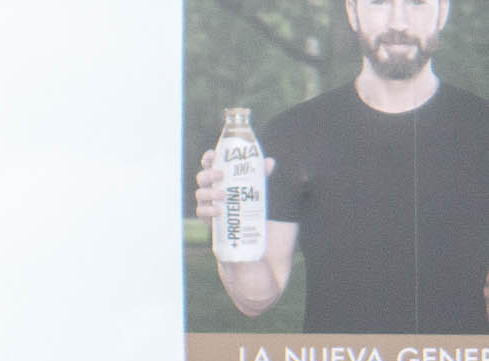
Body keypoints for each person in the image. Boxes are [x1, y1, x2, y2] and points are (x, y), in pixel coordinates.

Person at [196, 0, 489, 331]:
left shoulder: (483, 130)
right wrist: (228, 232)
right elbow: (256, 298)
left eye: (417, 2)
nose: (399, 22)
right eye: (379, 2)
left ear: (442, 11)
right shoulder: (294, 132)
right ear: (352, 11)